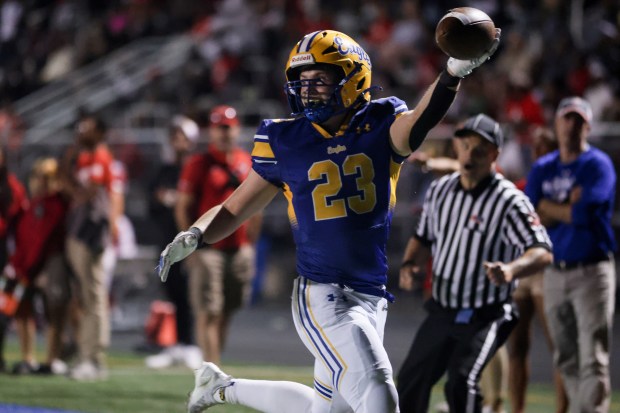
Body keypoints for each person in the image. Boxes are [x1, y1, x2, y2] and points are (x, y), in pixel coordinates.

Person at [158, 29, 500, 413]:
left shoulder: (381, 123)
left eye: (320, 79)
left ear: (353, 78)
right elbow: (234, 208)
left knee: (328, 409)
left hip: (370, 294)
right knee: (377, 392)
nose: (309, 90)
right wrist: (196, 233)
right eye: (303, 81)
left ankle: (221, 388)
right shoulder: (284, 138)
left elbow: (421, 121)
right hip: (323, 294)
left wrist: (453, 71)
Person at [397, 113, 553, 413]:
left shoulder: (509, 199)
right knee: (410, 380)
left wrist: (511, 269)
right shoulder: (442, 191)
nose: (470, 154)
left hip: (488, 312)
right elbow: (423, 236)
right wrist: (408, 265)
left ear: (494, 154)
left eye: (479, 149)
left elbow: (542, 250)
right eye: (465, 146)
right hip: (443, 308)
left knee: (461, 381)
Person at [524, 97, 616, 413]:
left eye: (578, 120)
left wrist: (548, 205)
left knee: (592, 355)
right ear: (557, 123)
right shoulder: (543, 167)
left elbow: (583, 215)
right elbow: (530, 215)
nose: (571, 125)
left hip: (592, 269)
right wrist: (564, 206)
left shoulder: (598, 164)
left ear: (588, 126)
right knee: (565, 354)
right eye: (567, 118)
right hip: (554, 269)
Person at [175, 105, 261, 365]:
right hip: (208, 249)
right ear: (212, 132)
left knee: (227, 311)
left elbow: (257, 208)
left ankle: (214, 366)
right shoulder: (199, 163)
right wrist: (189, 245)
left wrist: (251, 246)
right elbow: (182, 207)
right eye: (219, 128)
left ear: (236, 130)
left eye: (228, 128)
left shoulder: (246, 161)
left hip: (239, 248)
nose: (224, 134)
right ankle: (212, 371)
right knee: (208, 311)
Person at [508, 126, 567, 413]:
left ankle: (562, 408)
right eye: (537, 146)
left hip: (547, 267)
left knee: (558, 346)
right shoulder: (524, 184)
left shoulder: (561, 183)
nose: (539, 151)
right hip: (523, 268)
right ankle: (516, 408)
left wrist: (549, 211)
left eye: (546, 146)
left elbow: (553, 220)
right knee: (516, 346)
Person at [60, 113, 122, 381]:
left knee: (93, 295)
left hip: (91, 232)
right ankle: (86, 355)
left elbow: (91, 193)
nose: (80, 130)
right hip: (81, 231)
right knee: (85, 296)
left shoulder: (100, 156)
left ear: (99, 132)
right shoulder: (84, 156)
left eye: (87, 127)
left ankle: (94, 357)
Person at [145, 115, 202, 369]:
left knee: (192, 295)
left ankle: (192, 344)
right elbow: (152, 203)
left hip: (194, 240)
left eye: (182, 136)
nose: (177, 142)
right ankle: (177, 344)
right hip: (167, 240)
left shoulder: (198, 167)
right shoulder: (164, 171)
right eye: (174, 137)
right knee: (172, 291)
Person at [6, 157, 71, 375]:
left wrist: (30, 267)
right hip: (28, 266)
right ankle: (28, 357)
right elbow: (25, 240)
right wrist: (17, 265)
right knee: (23, 310)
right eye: (38, 176)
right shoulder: (32, 205)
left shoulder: (56, 204)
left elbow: (45, 239)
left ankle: (53, 358)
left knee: (55, 309)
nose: (41, 182)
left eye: (47, 177)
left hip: (49, 264)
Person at [0, 145, 28, 372]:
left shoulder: (12, 187)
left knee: (3, 307)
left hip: (4, 253)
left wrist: (16, 259)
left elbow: (20, 225)